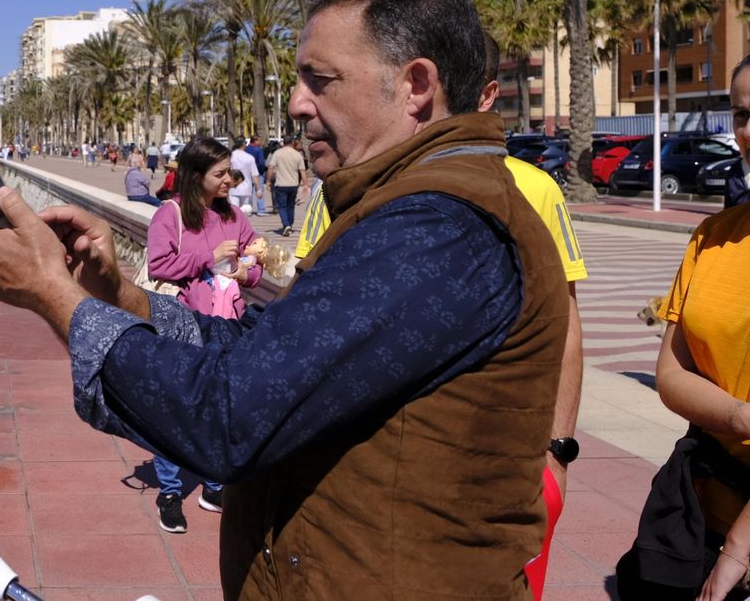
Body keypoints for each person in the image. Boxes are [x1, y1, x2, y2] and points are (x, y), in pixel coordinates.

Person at [0, 0, 568, 598]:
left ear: (415, 85)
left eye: (321, 79)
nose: (296, 103)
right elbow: (271, 357)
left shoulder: (438, 228)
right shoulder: (399, 207)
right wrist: (114, 292)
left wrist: (52, 294)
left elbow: (226, 417)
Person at [289, 32, 590, 599]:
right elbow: (304, 297)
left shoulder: (534, 189)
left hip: (503, 466)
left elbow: (566, 328)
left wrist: (558, 454)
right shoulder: (347, 185)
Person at [617, 54, 750, 601]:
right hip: (706, 510)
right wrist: (742, 416)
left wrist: (738, 554)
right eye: (743, 113)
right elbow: (671, 373)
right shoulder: (713, 236)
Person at [143, 137, 261, 532]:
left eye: (230, 171)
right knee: (174, 407)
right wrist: (207, 259)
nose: (230, 179)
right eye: (221, 173)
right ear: (196, 176)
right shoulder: (171, 214)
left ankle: (213, 487)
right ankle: (170, 491)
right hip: (183, 325)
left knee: (220, 407)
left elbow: (254, 261)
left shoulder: (234, 217)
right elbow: (159, 264)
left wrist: (247, 272)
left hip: (228, 324)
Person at [267, 136, 308, 236]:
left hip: (281, 184)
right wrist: (305, 184)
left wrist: (268, 181)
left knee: (281, 206)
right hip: (293, 184)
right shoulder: (297, 155)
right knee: (291, 206)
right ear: (292, 143)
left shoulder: (278, 153)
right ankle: (289, 224)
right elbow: (302, 170)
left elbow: (271, 167)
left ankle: (286, 225)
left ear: (283, 142)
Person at [227, 137, 259, 215]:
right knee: (245, 212)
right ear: (243, 145)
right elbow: (254, 174)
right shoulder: (249, 158)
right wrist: (258, 189)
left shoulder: (230, 157)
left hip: (232, 187)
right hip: (246, 188)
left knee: (234, 211)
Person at [244, 136, 268, 215]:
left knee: (248, 192)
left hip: (247, 173)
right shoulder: (259, 150)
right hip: (257, 173)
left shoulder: (245, 149)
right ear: (255, 141)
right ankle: (261, 210)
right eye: (259, 140)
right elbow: (261, 162)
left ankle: (248, 210)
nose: (260, 142)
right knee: (259, 191)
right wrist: (262, 171)